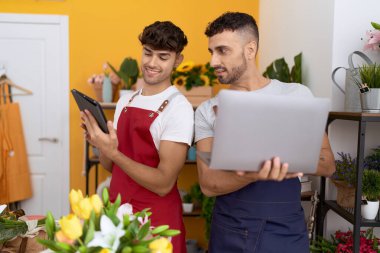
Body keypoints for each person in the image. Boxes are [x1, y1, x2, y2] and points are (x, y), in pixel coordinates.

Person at [195, 12, 336, 253]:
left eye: (222, 51)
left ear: (250, 49)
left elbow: (327, 164)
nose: (213, 61)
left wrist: (287, 158)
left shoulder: (296, 96)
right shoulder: (208, 111)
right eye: (211, 52)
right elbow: (208, 185)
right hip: (229, 231)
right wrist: (253, 174)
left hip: (285, 231)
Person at [81, 21, 193, 253]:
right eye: (148, 53)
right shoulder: (126, 100)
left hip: (157, 221)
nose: (152, 63)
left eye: (163, 57)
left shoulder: (178, 108)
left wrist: (113, 152)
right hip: (118, 214)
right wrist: (101, 144)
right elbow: (113, 167)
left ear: (177, 60)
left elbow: (164, 183)